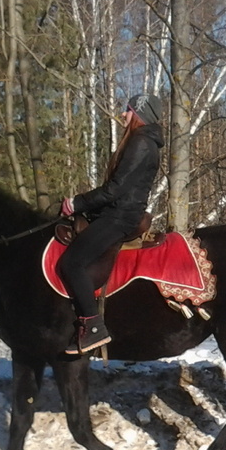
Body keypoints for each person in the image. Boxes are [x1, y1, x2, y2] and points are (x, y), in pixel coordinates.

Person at [56, 93, 164, 356]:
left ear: (138, 113)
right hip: (118, 211)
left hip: (121, 216)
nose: (123, 115)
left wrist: (77, 203)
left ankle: (93, 326)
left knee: (71, 263)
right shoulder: (142, 142)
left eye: (127, 110)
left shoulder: (140, 143)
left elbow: (114, 190)